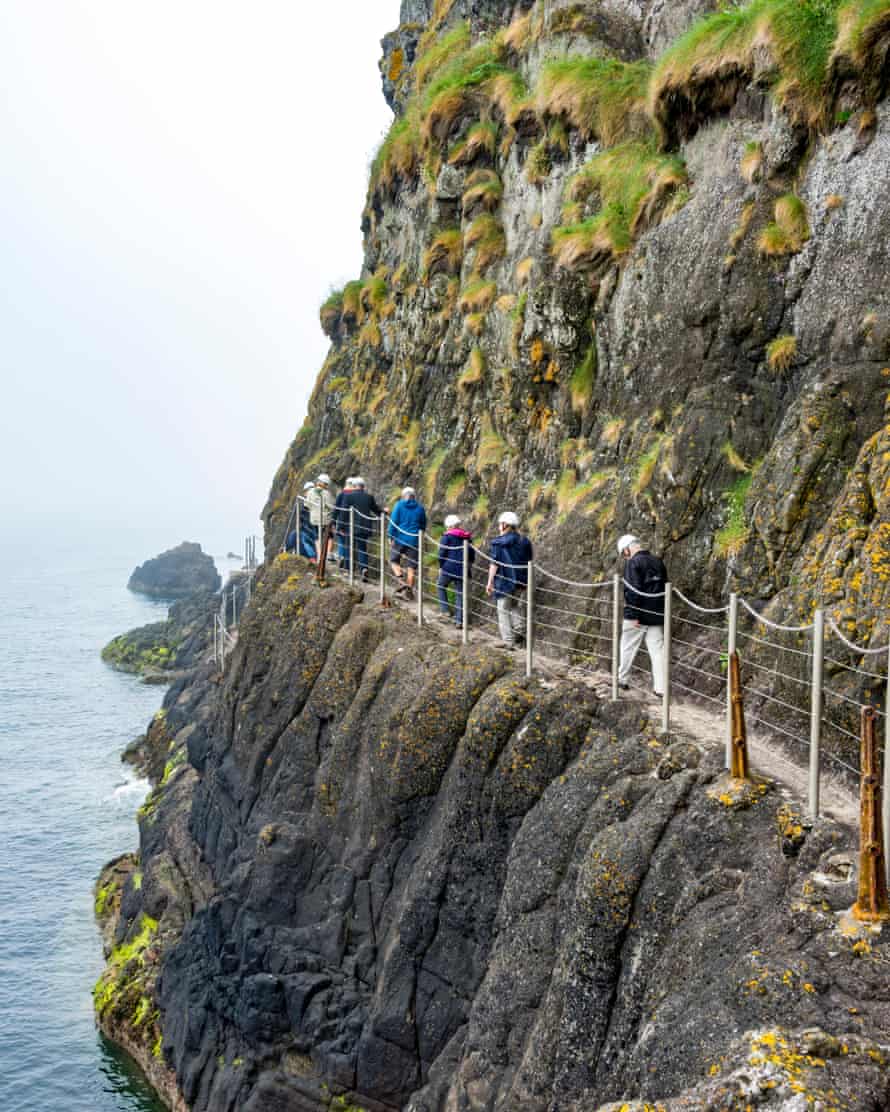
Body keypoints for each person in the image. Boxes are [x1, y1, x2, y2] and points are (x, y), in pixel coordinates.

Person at [617, 533, 668, 696]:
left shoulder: (633, 563)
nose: (625, 557)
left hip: (637, 615)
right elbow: (665, 587)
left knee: (627, 647)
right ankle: (660, 688)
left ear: (627, 549)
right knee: (658, 651)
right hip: (657, 613)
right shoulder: (658, 561)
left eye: (623, 554)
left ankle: (622, 680)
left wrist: (633, 615)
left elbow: (632, 591)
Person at [486, 511, 533, 649]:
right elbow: (529, 560)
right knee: (514, 605)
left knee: (503, 609)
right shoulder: (524, 541)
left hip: (504, 581)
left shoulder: (498, 543)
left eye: (500, 524)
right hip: (521, 580)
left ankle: (508, 641)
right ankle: (520, 629)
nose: (499, 526)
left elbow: (494, 564)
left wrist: (490, 582)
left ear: (505, 525)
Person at [338, 477, 384, 581]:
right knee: (362, 548)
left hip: (351, 526)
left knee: (348, 547)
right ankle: (364, 568)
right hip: (364, 527)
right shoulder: (369, 497)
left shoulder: (349, 497)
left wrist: (340, 526)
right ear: (363, 486)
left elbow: (344, 512)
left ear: (354, 486)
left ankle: (348, 570)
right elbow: (376, 509)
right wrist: (384, 512)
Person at [388, 486, 427, 599]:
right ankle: (408, 591)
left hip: (400, 538)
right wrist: (421, 534)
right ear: (414, 496)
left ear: (403, 495)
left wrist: (390, 535)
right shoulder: (420, 508)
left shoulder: (399, 505)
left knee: (393, 560)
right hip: (414, 539)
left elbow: (393, 522)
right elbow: (423, 524)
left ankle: (401, 581)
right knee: (411, 566)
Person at [437, 514, 474, 627]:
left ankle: (445, 611)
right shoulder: (466, 537)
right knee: (460, 594)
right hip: (463, 569)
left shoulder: (446, 537)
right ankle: (459, 620)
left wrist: (441, 567)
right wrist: (469, 564)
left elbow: (442, 554)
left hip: (448, 568)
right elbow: (472, 554)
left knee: (440, 585)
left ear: (449, 526)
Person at [307, 474, 335, 562]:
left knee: (317, 538)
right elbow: (331, 506)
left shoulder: (310, 492)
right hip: (325, 519)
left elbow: (307, 505)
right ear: (325, 484)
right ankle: (328, 554)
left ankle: (319, 557)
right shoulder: (327, 493)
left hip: (314, 519)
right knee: (330, 536)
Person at [333, 478, 355, 568]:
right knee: (350, 543)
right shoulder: (355, 495)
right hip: (353, 522)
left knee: (342, 541)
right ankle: (348, 563)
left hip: (342, 521)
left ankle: (342, 557)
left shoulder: (341, 494)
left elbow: (336, 509)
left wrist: (333, 521)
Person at [298, 481, 318, 561]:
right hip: (315, 525)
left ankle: (313, 558)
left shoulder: (306, 501)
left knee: (306, 541)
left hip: (307, 526)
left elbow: (303, 515)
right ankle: (316, 557)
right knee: (314, 542)